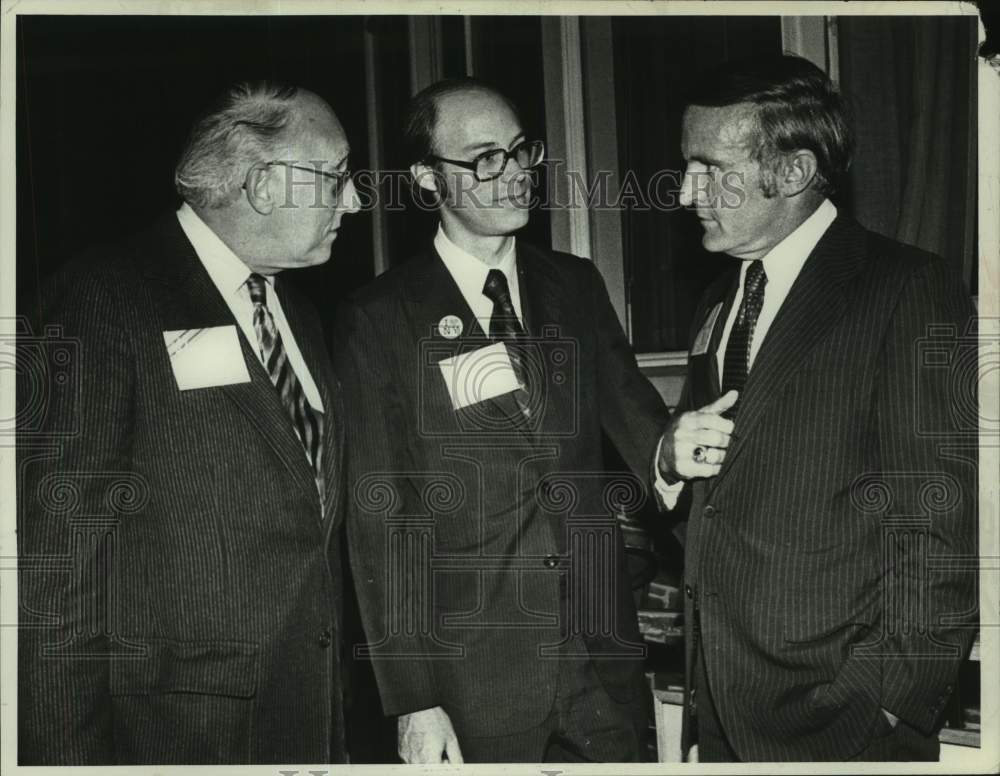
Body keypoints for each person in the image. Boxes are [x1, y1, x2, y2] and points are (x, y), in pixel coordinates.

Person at [334, 78, 721, 764]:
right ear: (427, 179)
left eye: (519, 152)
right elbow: (381, 521)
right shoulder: (379, 318)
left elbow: (639, 423)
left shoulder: (574, 285)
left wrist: (671, 449)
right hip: (475, 678)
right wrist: (414, 699)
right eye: (484, 159)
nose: (513, 175)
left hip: (602, 661)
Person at [17, 81, 360, 764]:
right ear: (264, 185)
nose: (353, 200)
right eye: (336, 177)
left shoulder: (300, 314)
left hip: (309, 716)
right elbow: (59, 563)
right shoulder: (106, 297)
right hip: (178, 732)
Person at [658, 54, 978, 761]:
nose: (687, 193)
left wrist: (891, 699)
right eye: (688, 167)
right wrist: (670, 461)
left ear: (795, 172)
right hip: (721, 710)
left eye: (711, 169)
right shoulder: (720, 299)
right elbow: (717, 498)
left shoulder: (906, 289)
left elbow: (942, 522)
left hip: (846, 718)